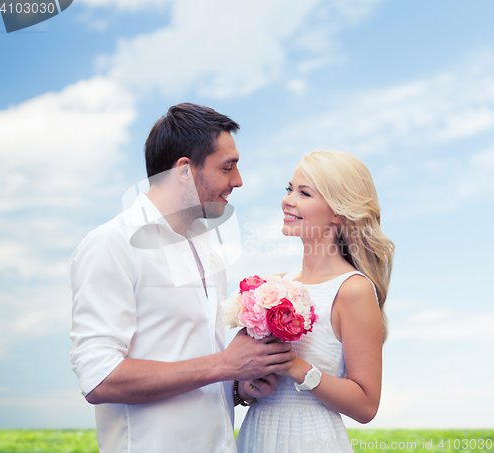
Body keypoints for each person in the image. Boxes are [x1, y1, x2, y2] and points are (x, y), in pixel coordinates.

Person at [68, 103, 296, 453]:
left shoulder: (208, 250)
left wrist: (238, 386)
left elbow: (200, 368)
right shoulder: (112, 244)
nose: (238, 181)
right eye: (227, 167)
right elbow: (100, 379)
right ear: (185, 171)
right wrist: (224, 365)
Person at [236, 150, 395, 453]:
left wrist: (297, 368)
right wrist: (250, 385)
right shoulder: (275, 285)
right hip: (257, 434)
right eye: (289, 189)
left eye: (304, 193)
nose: (287, 200)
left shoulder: (353, 290)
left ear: (337, 213)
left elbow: (366, 405)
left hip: (310, 439)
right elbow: (250, 378)